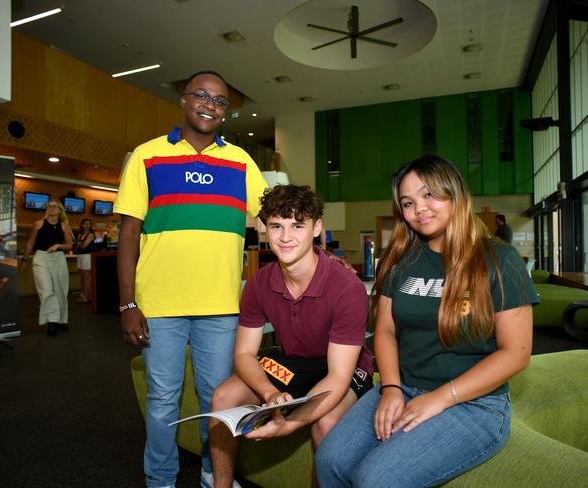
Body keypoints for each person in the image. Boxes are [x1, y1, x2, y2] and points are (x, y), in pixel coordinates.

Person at [315, 155, 538, 487]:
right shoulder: (402, 260)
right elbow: (386, 331)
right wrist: (390, 389)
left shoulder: (499, 259)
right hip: (402, 386)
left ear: (455, 194)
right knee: (329, 460)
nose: (419, 208)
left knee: (374, 480)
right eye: (408, 202)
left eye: (429, 194)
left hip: (474, 403)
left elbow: (515, 353)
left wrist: (441, 397)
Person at [114, 70, 268, 488]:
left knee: (216, 400)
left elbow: (276, 214)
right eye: (201, 95)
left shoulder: (241, 161)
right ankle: (160, 479)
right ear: (184, 100)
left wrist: (320, 248)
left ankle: (209, 472)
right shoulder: (146, 155)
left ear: (226, 112)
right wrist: (128, 303)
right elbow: (128, 234)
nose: (209, 105)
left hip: (219, 306)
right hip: (159, 305)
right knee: (162, 401)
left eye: (219, 101)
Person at [209, 184, 373, 488]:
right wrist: (269, 394)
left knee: (326, 423)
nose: (285, 237)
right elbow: (244, 354)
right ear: (264, 228)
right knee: (223, 396)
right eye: (276, 226)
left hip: (344, 367)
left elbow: (337, 377)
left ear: (316, 228)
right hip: (297, 360)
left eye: (297, 225)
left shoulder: (346, 288)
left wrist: (289, 424)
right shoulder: (259, 284)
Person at [22, 200, 74, 336]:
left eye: (54, 206)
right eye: (49, 206)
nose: (51, 208)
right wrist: (24, 259)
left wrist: (58, 245)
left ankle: (62, 320)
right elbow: (30, 242)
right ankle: (52, 321)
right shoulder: (38, 224)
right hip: (41, 258)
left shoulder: (64, 226)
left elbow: (70, 245)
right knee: (46, 290)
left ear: (59, 210)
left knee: (60, 290)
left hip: (58, 258)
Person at [74, 218, 95, 304]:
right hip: (80, 256)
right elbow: (77, 246)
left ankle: (87, 297)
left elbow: (84, 246)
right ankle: (83, 295)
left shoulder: (90, 234)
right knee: (82, 277)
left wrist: (79, 245)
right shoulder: (80, 235)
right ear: (82, 225)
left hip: (87, 256)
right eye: (85, 224)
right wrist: (79, 245)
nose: (87, 225)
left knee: (87, 278)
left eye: (88, 224)